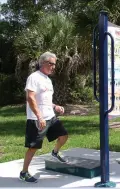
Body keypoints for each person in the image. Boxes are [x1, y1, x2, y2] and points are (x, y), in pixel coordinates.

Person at [19, 52, 68, 183]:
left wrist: (55, 106)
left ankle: (55, 152)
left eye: (54, 64)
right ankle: (24, 172)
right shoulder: (34, 77)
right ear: (43, 63)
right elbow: (30, 98)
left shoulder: (47, 79)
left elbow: (45, 100)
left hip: (50, 116)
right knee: (33, 147)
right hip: (37, 119)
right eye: (51, 64)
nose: (53, 67)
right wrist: (39, 116)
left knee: (63, 136)